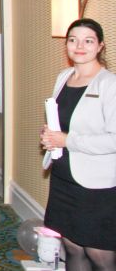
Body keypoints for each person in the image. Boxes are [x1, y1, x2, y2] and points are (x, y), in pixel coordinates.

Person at [41, 18, 116, 270]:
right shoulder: (64, 77)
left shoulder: (109, 84)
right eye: (73, 40)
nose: (79, 46)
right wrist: (50, 134)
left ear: (100, 46)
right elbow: (62, 122)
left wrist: (67, 140)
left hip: (96, 185)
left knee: (99, 254)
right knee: (71, 247)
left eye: (88, 40)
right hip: (63, 177)